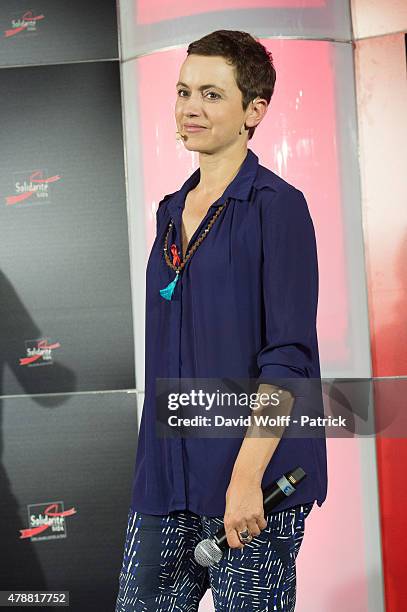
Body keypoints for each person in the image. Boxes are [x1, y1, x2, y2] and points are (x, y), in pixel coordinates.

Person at [115, 29, 327, 611]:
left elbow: (289, 358)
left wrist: (243, 482)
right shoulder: (168, 212)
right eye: (184, 92)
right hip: (168, 481)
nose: (189, 108)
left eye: (211, 94)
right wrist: (150, 480)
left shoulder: (278, 207)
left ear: (253, 109)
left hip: (252, 486)